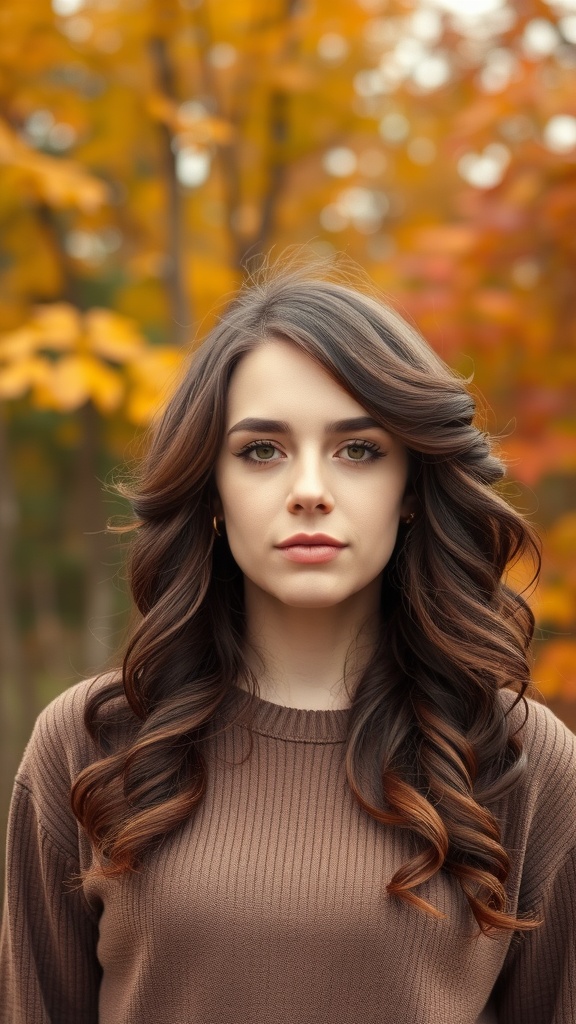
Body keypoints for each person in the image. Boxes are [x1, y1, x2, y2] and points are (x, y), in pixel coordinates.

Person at [1, 264, 575, 1024]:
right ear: (210, 488)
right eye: (262, 451)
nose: (309, 488)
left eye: (358, 449)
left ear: (409, 488)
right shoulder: (90, 744)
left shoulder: (518, 757)